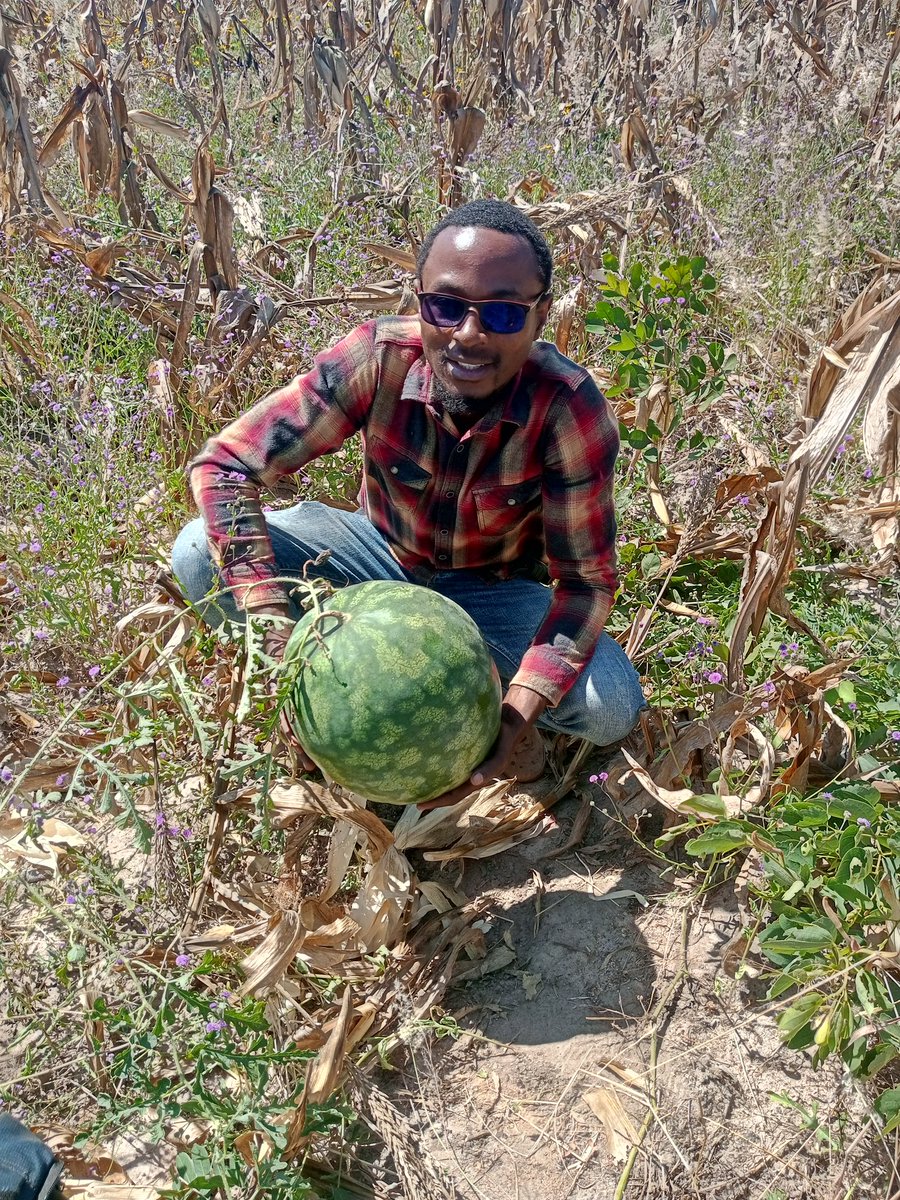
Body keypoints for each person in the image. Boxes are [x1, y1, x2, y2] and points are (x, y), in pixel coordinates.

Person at [172, 199, 645, 808]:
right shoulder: (377, 358)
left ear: (540, 317)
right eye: (446, 307)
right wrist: (273, 632)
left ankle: (489, 715)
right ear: (419, 299)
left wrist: (520, 708)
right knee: (195, 554)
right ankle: (326, 713)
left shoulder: (566, 409)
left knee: (611, 705)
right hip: (377, 562)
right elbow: (224, 465)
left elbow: (584, 584)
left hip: (490, 593)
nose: (468, 335)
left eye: (502, 314)